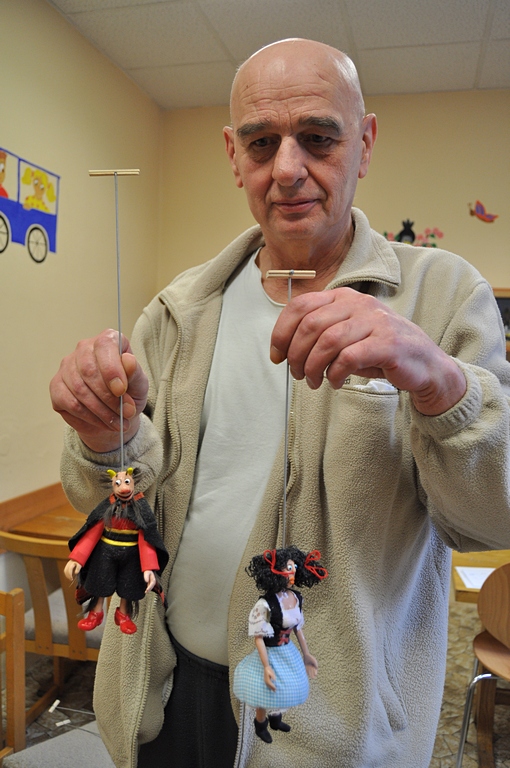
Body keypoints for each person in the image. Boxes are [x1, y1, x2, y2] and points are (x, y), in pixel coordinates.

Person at [49, 38, 510, 768]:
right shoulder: (178, 311)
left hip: (329, 730)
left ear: (365, 143)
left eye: (319, 137)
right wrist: (104, 440)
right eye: (262, 143)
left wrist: (439, 383)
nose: (288, 168)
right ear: (233, 155)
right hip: (163, 700)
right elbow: (113, 501)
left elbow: (492, 520)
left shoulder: (443, 296)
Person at [233, 547, 327, 744]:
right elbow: (258, 638)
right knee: (264, 691)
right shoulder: (265, 604)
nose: (292, 573)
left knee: (286, 688)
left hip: (288, 652)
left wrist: (307, 654)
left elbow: (298, 629)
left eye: (294, 568)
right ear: (275, 572)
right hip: (269, 653)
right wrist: (266, 666)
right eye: (288, 568)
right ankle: (260, 724)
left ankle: (276, 720)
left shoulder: (296, 598)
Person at [64, 467, 169, 635]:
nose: (123, 488)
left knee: (129, 585)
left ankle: (124, 615)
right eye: (118, 483)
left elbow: (146, 538)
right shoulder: (108, 506)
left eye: (127, 482)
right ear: (112, 485)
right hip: (105, 552)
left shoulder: (141, 508)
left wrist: (149, 567)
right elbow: (93, 532)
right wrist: (77, 558)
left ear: (133, 483)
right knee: (99, 582)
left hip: (132, 556)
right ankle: (95, 612)